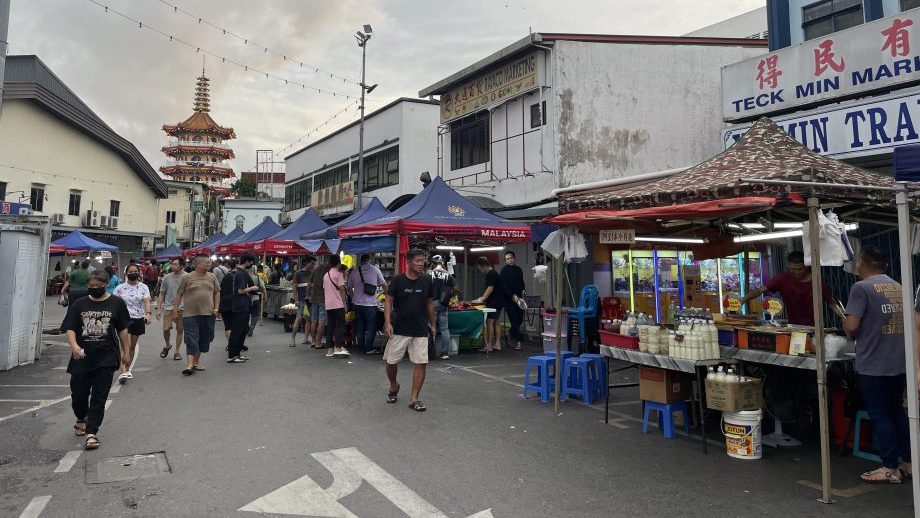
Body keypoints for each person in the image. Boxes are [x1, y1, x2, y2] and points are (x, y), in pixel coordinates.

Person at [844, 246, 910, 484]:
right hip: (900, 362)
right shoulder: (898, 286)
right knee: (898, 414)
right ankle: (909, 462)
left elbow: (852, 326)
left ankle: (890, 467)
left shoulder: (861, 288)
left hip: (874, 364)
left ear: (861, 263)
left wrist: (846, 325)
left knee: (881, 415)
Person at [64, 270, 131, 450]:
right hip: (82, 357)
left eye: (98, 286)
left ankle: (92, 432)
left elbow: (123, 330)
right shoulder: (79, 304)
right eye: (91, 286)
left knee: (99, 396)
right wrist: (74, 346)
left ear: (106, 284)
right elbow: (70, 328)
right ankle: (81, 418)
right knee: (78, 395)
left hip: (107, 357)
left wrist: (126, 352)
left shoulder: (117, 303)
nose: (94, 289)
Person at [384, 249, 436, 412]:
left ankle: (414, 398)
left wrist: (433, 324)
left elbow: (429, 303)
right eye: (418, 261)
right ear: (409, 262)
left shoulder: (427, 280)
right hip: (399, 327)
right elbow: (388, 300)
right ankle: (394, 385)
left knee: (421, 362)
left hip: (420, 328)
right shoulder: (398, 281)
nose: (421, 264)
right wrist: (387, 322)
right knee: (391, 361)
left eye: (423, 261)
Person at [740, 251, 844, 326]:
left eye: (800, 269)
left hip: (815, 328)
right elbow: (759, 290)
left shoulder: (817, 282)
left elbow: (831, 303)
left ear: (806, 266)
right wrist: (742, 300)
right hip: (792, 326)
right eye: (793, 269)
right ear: (788, 266)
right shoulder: (782, 278)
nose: (797, 272)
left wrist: (844, 317)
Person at [173, 254, 220, 376]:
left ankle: (196, 362)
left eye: (210, 262)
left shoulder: (212, 277)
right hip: (190, 314)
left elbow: (217, 293)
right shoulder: (187, 277)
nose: (210, 264)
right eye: (207, 262)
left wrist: (216, 308)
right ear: (198, 264)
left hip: (208, 313)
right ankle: (189, 365)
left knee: (205, 339)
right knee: (191, 338)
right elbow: (179, 294)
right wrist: (175, 310)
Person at [113, 264, 151, 384]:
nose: (133, 273)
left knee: (132, 346)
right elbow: (113, 303)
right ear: (126, 273)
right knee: (126, 345)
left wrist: (148, 313)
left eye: (135, 271)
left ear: (139, 273)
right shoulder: (120, 288)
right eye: (131, 271)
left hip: (138, 319)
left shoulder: (144, 287)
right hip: (123, 319)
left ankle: (127, 368)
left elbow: (146, 301)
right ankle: (123, 371)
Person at [348, 254, 386, 355]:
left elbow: (348, 287)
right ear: (369, 260)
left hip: (357, 303)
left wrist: (353, 298)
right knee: (371, 327)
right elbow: (384, 284)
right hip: (370, 304)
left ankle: (361, 347)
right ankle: (369, 349)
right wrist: (389, 296)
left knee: (359, 325)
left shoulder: (355, 271)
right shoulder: (375, 269)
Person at [228, 254, 259, 363]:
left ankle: (237, 354)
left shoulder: (242, 273)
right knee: (237, 331)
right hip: (240, 306)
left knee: (243, 330)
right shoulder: (240, 274)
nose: (251, 264)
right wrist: (252, 288)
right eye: (251, 262)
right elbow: (240, 290)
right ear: (246, 261)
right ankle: (232, 355)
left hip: (244, 306)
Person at [472, 256, 506, 352]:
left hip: (494, 302)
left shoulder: (491, 274)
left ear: (483, 266)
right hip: (499, 301)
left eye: (480, 269)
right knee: (496, 322)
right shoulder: (494, 273)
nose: (481, 271)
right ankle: (497, 344)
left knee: (489, 322)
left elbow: (490, 288)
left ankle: (489, 345)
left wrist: (480, 299)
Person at [156, 257, 186, 361]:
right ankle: (168, 345)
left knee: (180, 329)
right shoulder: (167, 278)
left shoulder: (187, 277)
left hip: (182, 307)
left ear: (182, 265)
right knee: (166, 329)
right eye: (172, 264)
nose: (173, 266)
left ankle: (177, 352)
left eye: (176, 264)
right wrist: (159, 309)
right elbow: (161, 294)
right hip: (168, 307)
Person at [427, 255, 455, 360]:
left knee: (430, 327)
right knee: (444, 329)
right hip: (443, 304)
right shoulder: (448, 274)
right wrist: (448, 297)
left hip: (431, 303)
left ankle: (430, 352)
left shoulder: (429, 274)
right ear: (442, 263)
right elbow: (455, 289)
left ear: (433, 264)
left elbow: (425, 289)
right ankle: (445, 353)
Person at [323, 255, 350, 358]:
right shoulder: (339, 274)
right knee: (340, 326)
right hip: (338, 304)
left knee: (330, 326)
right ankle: (337, 347)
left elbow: (325, 290)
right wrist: (344, 304)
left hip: (328, 304)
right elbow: (342, 290)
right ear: (338, 263)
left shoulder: (326, 275)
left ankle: (329, 349)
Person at [500, 251, 527, 351]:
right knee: (515, 321)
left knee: (519, 320)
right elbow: (504, 287)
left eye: (511, 258)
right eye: (507, 259)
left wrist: (523, 290)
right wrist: (512, 296)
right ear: (505, 260)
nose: (509, 260)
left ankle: (510, 332)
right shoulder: (503, 271)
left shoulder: (519, 270)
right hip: (508, 301)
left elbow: (521, 282)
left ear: (514, 258)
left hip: (519, 300)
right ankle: (519, 342)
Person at [290, 257, 316, 347]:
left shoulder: (313, 273)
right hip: (301, 300)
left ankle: (305, 338)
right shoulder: (298, 273)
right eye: (312, 263)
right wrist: (295, 299)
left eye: (314, 264)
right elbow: (294, 286)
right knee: (298, 319)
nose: (313, 265)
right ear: (307, 263)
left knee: (308, 320)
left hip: (311, 301)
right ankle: (293, 339)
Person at [310, 258, 329, 350]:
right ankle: (318, 343)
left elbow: (309, 283)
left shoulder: (315, 270)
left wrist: (308, 295)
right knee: (322, 321)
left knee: (314, 320)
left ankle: (313, 341)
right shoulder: (327, 271)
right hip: (323, 298)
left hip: (314, 298)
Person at [218, 259, 237, 341]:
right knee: (235, 325)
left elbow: (220, 291)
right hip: (236, 303)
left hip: (225, 303)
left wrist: (218, 307)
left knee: (228, 326)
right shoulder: (241, 275)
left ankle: (230, 344)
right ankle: (234, 345)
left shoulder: (226, 276)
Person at [248, 262, 267, 337]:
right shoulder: (257, 277)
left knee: (246, 315)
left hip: (247, 299)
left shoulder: (246, 276)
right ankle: (251, 328)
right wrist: (265, 297)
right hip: (256, 298)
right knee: (255, 315)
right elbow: (264, 288)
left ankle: (246, 328)